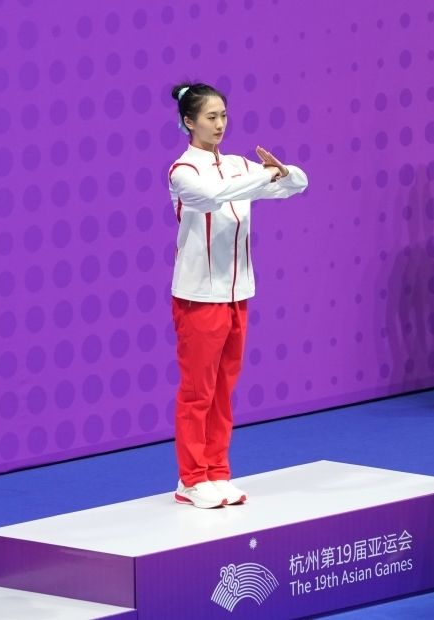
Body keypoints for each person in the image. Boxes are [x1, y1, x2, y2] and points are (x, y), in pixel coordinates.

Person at [168, 82, 308, 508]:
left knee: (224, 388)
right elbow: (212, 197)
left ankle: (217, 471)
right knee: (198, 391)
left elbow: (297, 185)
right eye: (210, 117)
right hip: (198, 295)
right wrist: (261, 178)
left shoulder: (238, 165)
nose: (220, 124)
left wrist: (282, 171)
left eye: (224, 116)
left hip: (237, 292)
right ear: (189, 122)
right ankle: (191, 478)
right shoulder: (182, 171)